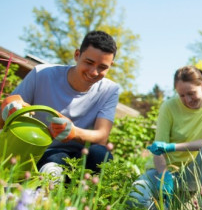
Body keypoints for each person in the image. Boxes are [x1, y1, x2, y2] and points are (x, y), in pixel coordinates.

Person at [1, 30, 121, 178]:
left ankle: (86, 191)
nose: (94, 72)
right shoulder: (41, 74)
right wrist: (9, 108)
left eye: (102, 67)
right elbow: (5, 116)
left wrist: (74, 132)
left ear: (111, 65)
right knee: (55, 161)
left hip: (80, 154)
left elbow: (102, 135)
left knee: (101, 154)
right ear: (77, 55)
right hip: (42, 151)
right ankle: (49, 179)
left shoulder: (110, 90)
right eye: (89, 63)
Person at [130, 65, 202, 210]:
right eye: (181, 95)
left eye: (191, 93)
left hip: (192, 173)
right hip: (165, 172)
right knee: (136, 197)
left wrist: (173, 147)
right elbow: (158, 150)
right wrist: (163, 175)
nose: (187, 100)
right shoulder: (168, 107)